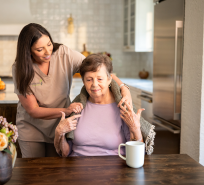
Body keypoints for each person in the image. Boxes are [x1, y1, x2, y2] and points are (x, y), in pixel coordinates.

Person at [12, 23, 133, 158]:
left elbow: (98, 69)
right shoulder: (20, 68)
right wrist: (67, 110)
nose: (48, 52)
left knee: (55, 171)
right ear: (28, 51)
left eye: (49, 44)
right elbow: (33, 110)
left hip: (60, 125)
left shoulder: (64, 54)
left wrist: (124, 89)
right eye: (40, 49)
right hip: (31, 128)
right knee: (34, 172)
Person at [54, 54, 156, 157]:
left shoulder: (122, 107)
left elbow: (138, 155)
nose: (94, 84)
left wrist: (136, 129)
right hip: (76, 168)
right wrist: (60, 133)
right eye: (89, 79)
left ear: (109, 79)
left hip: (113, 169)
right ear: (83, 82)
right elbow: (65, 153)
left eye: (100, 79)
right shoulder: (77, 107)